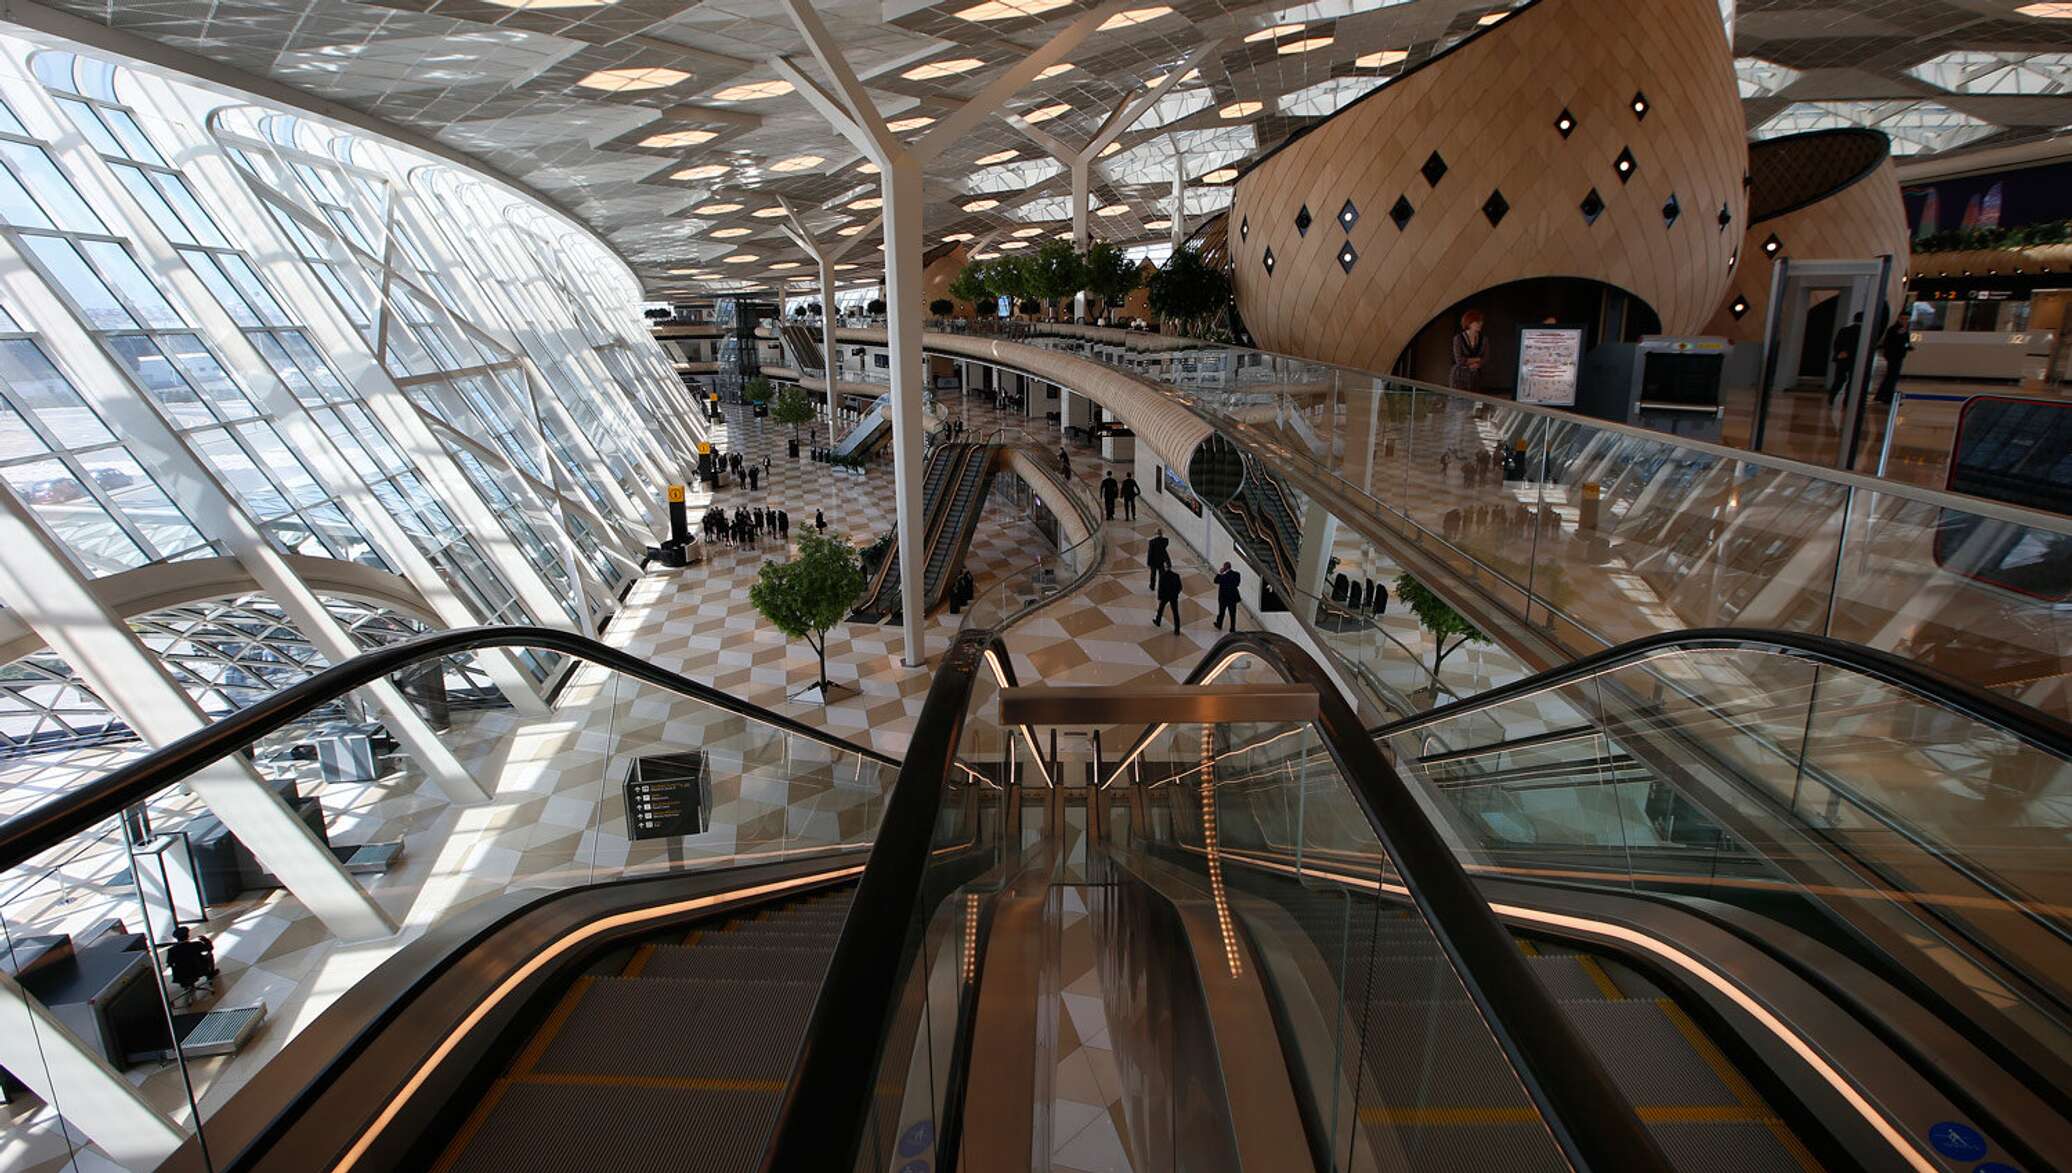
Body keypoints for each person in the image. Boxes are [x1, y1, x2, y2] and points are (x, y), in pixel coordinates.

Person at [165, 926, 217, 1000]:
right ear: (188, 935)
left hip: (182, 975)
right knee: (209, 955)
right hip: (199, 970)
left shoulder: (171, 950)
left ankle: (187, 984)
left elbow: (169, 963)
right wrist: (206, 940)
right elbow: (210, 948)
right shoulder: (196, 945)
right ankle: (210, 974)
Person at [1449, 310, 1487, 391]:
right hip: (1459, 377)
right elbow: (1459, 360)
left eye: (1481, 321)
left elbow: (1486, 358)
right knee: (1460, 402)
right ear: (1469, 323)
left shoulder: (1484, 339)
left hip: (1476, 376)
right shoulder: (1458, 338)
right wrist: (1477, 359)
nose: (1480, 324)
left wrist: (1478, 364)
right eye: (1477, 322)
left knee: (1477, 402)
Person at [1876, 318, 1911, 403]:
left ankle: (1881, 395)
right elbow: (1894, 342)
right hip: (1895, 356)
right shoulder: (1896, 329)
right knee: (1892, 376)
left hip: (1896, 355)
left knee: (1890, 376)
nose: (1906, 320)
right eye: (1904, 318)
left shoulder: (1902, 329)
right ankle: (1887, 396)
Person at [1830, 312, 1864, 399]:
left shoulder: (1844, 330)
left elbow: (1836, 344)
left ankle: (1832, 396)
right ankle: (1847, 400)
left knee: (1839, 379)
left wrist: (1840, 353)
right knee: (1853, 381)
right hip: (1856, 359)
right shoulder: (1864, 333)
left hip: (1842, 358)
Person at [1213, 562, 1242, 631]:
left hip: (1223, 598)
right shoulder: (1237, 574)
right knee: (1232, 614)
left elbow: (1215, 581)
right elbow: (1237, 584)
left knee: (1221, 612)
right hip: (1232, 598)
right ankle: (1232, 628)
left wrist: (1220, 573)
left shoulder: (1223, 577)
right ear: (1230, 567)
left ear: (1224, 568)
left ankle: (1219, 624)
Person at [1154, 565, 1183, 634]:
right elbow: (1180, 587)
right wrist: (1176, 593)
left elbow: (1160, 588)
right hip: (1173, 597)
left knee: (1160, 609)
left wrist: (1159, 597)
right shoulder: (1176, 576)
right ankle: (1177, 629)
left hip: (1165, 596)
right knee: (1175, 612)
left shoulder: (1163, 576)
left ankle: (1158, 621)